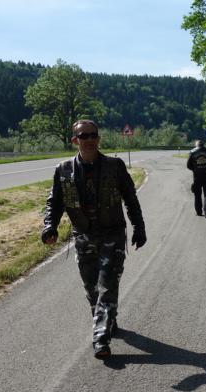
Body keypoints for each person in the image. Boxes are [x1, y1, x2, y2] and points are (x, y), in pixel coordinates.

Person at [41, 119, 146, 358]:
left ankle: (100, 338)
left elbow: (130, 198)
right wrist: (50, 226)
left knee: (107, 285)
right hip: (83, 236)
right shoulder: (63, 170)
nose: (89, 140)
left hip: (112, 235)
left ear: (98, 139)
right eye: (83, 136)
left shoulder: (114, 166)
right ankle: (108, 320)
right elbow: (54, 202)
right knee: (92, 289)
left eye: (93, 135)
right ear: (75, 140)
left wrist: (139, 227)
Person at [187, 139, 206, 218]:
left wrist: (195, 169)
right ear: (203, 145)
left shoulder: (192, 152)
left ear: (196, 145)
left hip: (197, 176)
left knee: (197, 194)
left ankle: (199, 211)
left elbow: (188, 165)